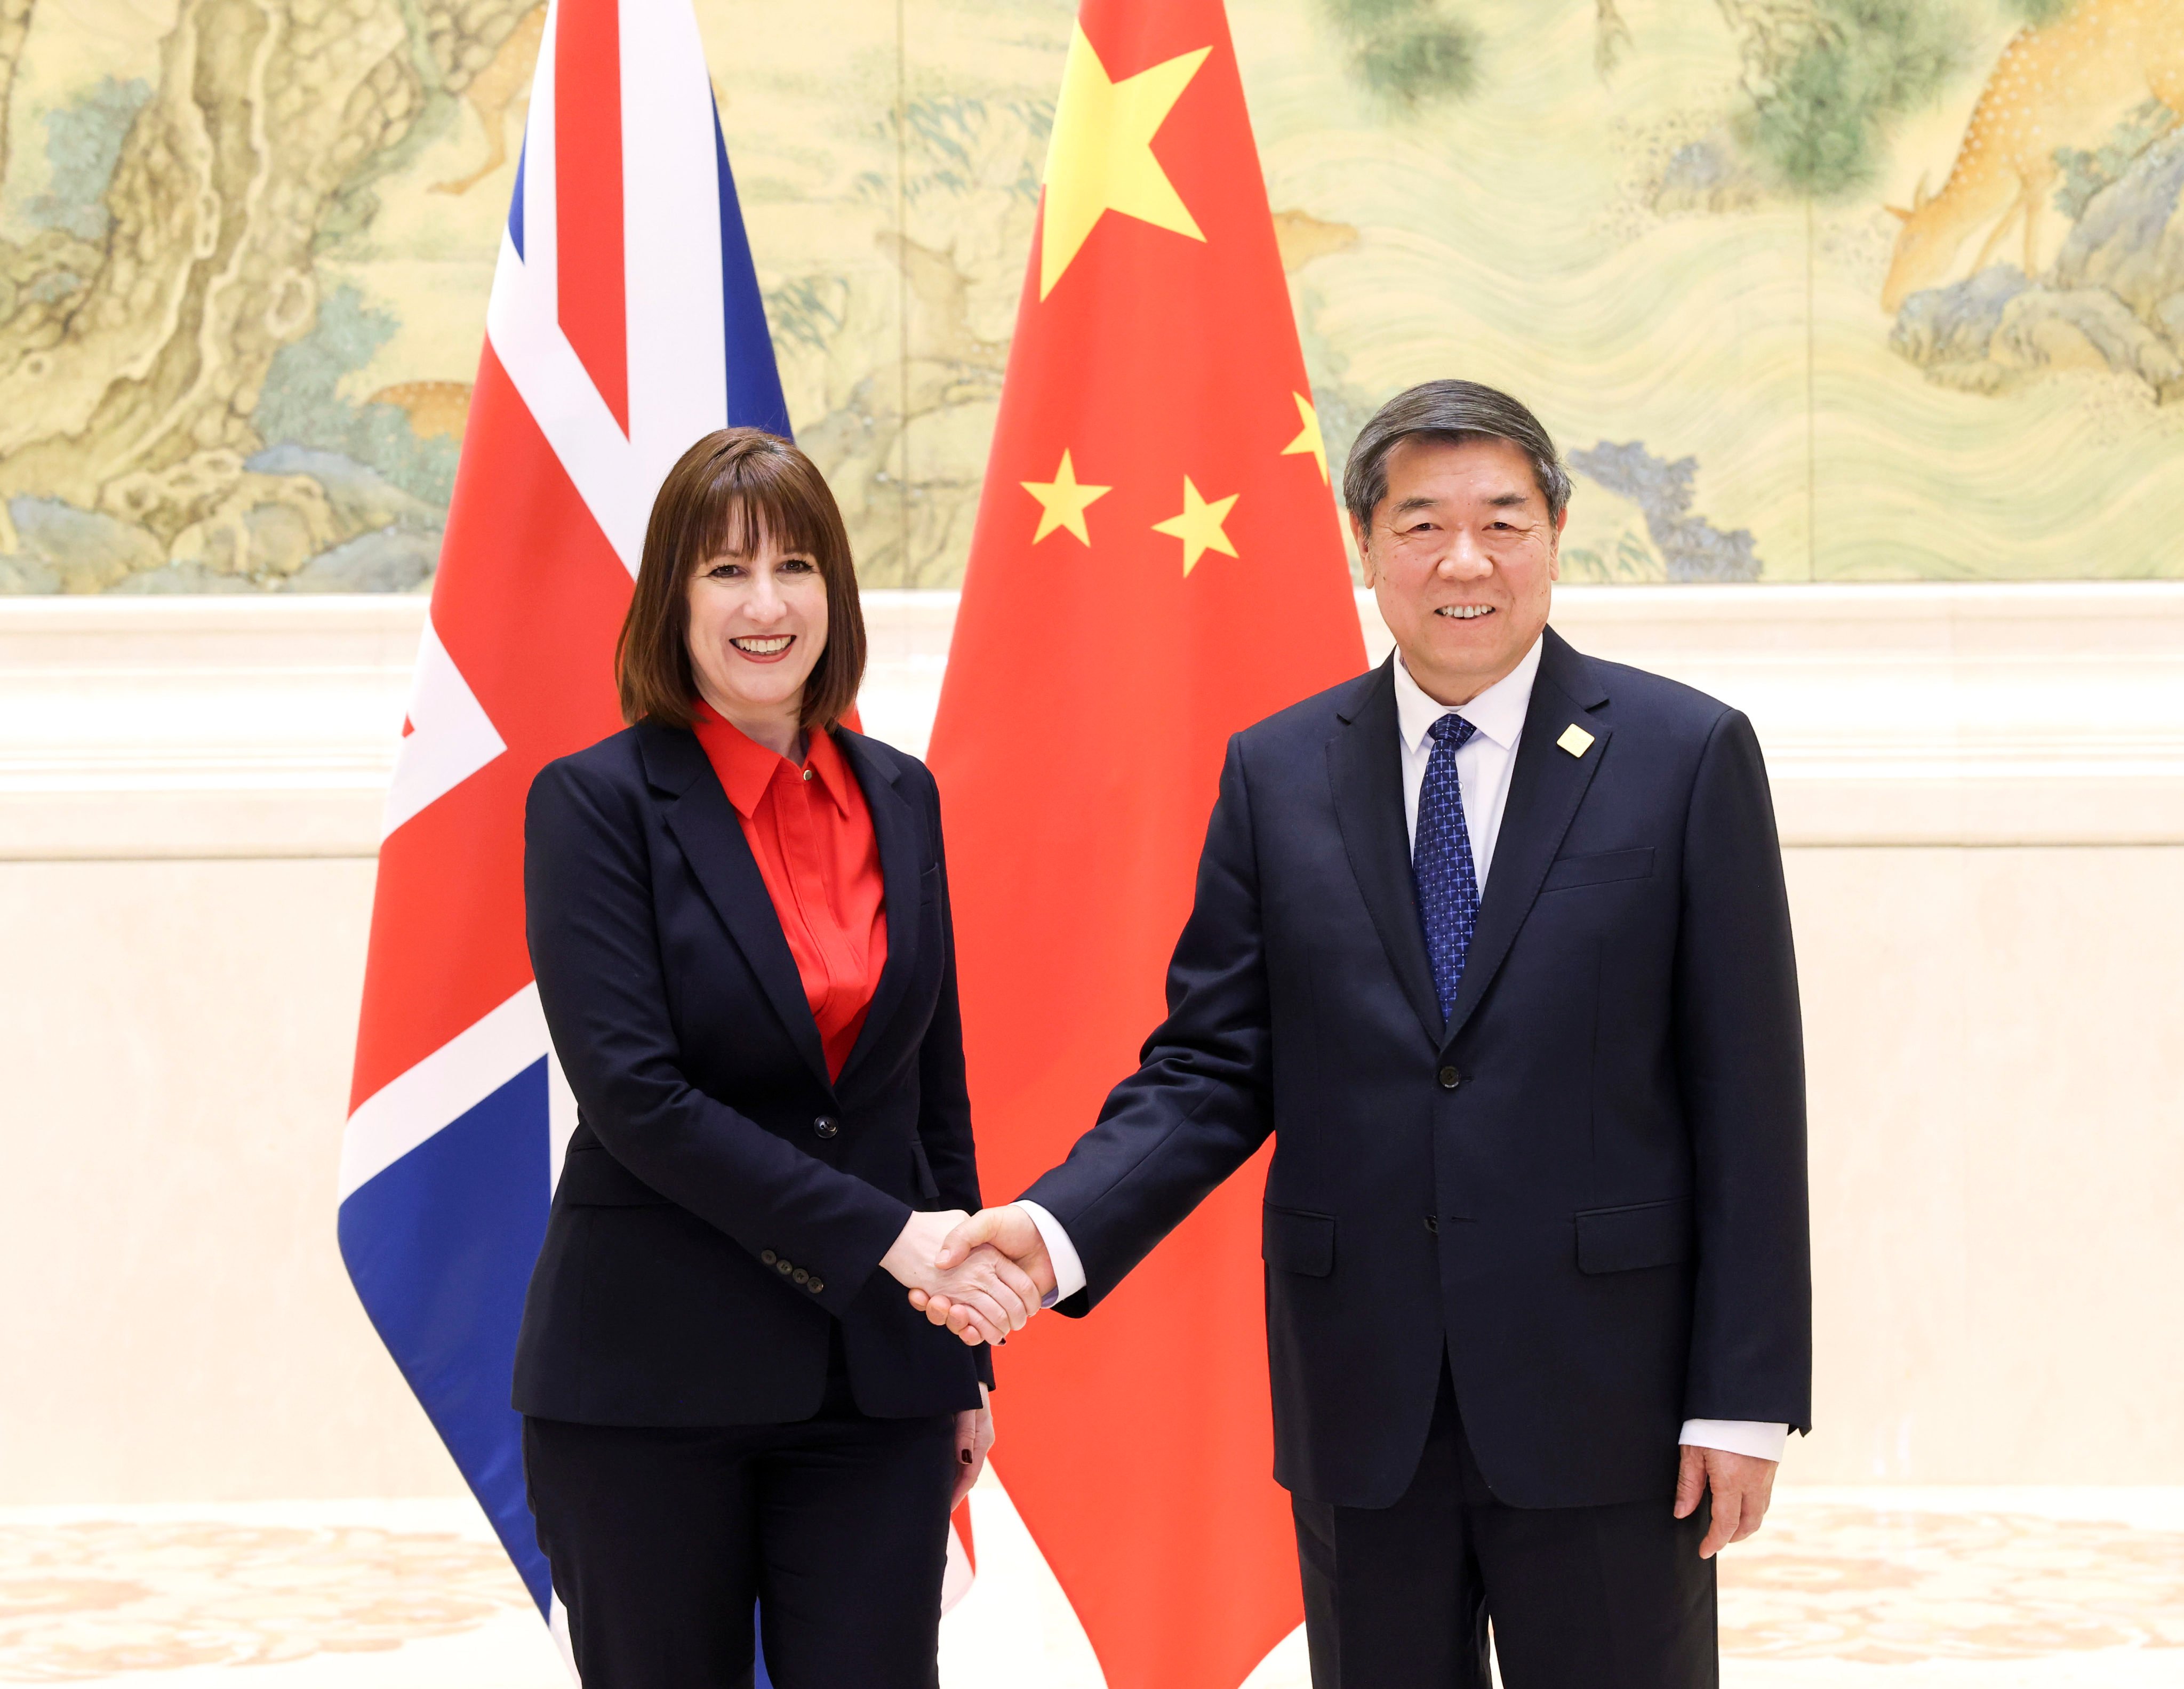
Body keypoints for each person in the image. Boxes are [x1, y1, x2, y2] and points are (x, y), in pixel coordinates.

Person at [918, 381, 1812, 1688]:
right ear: (1364, 545)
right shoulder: (1279, 773)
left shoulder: (1682, 757)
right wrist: (1053, 1231)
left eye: (1501, 521)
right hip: (1364, 1404)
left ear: (1556, 530)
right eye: (1420, 525)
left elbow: (1749, 1101)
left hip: (1606, 1401)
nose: (1463, 562)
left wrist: (1740, 1398)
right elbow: (1213, 1069)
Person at [513, 428, 1039, 1689]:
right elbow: (637, 1098)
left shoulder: (901, 794)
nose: (765, 604)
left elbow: (931, 1089)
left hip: (877, 1384)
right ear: (671, 601)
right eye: (724, 572)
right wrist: (879, 1235)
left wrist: (959, 1352)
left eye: (795, 567)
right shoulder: (593, 804)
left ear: (833, 596)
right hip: (646, 1379)